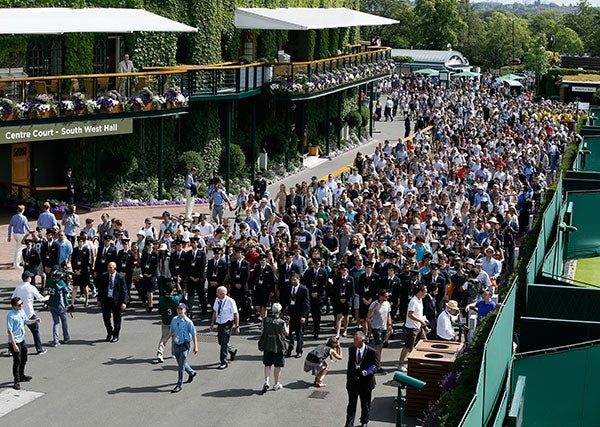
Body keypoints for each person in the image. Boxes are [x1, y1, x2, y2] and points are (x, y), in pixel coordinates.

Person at [161, 303, 198, 393]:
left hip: (185, 346)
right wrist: (165, 340)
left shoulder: (188, 322)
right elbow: (171, 331)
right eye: (178, 309)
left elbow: (194, 334)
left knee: (181, 366)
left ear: (185, 310)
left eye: (181, 309)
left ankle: (179, 385)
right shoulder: (174, 320)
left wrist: (196, 346)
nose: (180, 311)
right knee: (181, 363)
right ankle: (191, 372)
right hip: (176, 345)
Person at [7, 296, 42, 390]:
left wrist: (35, 320)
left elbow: (26, 321)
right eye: (19, 305)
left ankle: (22, 375)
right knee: (17, 361)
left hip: (21, 339)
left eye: (21, 303)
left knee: (24, 358)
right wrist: (14, 345)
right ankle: (16, 381)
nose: (21, 306)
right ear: (14, 306)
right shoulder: (11, 316)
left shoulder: (21, 312)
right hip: (15, 341)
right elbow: (9, 331)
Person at [345, 331, 378, 427]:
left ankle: (364, 421)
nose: (354, 341)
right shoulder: (351, 349)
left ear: (363, 340)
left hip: (366, 383)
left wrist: (368, 372)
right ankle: (349, 424)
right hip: (353, 382)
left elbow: (375, 366)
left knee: (365, 404)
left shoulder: (372, 352)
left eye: (356, 340)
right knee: (351, 404)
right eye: (354, 339)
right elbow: (350, 365)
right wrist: (348, 380)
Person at [12, 271, 49, 355]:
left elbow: (13, 298)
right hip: (29, 313)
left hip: (19, 313)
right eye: (30, 277)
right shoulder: (31, 287)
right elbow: (40, 298)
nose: (31, 278)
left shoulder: (18, 287)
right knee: (35, 331)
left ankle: (11, 350)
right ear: (28, 278)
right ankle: (39, 349)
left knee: (15, 332)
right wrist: (47, 297)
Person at [258, 303, 289, 393]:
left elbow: (262, 331)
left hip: (267, 344)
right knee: (278, 365)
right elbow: (286, 333)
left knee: (267, 364)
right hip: (279, 346)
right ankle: (276, 384)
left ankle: (266, 381)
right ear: (279, 311)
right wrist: (287, 324)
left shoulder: (265, 320)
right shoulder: (281, 322)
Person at [398, 284, 429, 372]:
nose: (426, 294)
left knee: (424, 343)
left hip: (419, 327)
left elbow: (419, 314)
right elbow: (410, 314)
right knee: (408, 346)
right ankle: (400, 363)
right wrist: (421, 321)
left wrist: (424, 325)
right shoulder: (413, 301)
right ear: (420, 292)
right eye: (425, 292)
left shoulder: (420, 300)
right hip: (412, 327)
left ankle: (419, 361)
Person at [209, 286, 240, 369]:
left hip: (228, 323)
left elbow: (236, 314)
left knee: (223, 342)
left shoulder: (230, 301)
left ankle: (224, 362)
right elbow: (215, 311)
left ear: (223, 293)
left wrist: (237, 326)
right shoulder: (217, 300)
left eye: (217, 292)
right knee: (220, 341)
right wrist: (212, 323)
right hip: (220, 323)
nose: (216, 294)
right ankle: (232, 350)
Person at [97, 262, 128, 343]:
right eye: (108, 267)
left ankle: (116, 335)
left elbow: (124, 291)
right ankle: (109, 332)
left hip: (116, 301)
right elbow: (101, 289)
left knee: (117, 319)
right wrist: (99, 299)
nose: (109, 269)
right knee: (106, 317)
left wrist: (124, 302)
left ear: (115, 268)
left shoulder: (120, 277)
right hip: (106, 299)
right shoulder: (104, 276)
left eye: (111, 267)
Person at [367, 288, 393, 373]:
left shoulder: (387, 304)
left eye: (387, 296)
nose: (387, 298)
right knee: (378, 347)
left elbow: (388, 314)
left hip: (384, 328)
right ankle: (378, 366)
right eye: (385, 296)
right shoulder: (374, 304)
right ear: (380, 296)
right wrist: (374, 308)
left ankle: (376, 364)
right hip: (376, 327)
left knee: (380, 348)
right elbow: (369, 316)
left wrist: (389, 324)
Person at [286, 272, 310, 358]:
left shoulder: (304, 289)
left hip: (300, 315)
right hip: (291, 315)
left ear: (298, 279)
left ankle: (299, 350)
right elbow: (287, 302)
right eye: (291, 279)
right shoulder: (289, 288)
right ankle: (289, 349)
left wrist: (304, 316)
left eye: (294, 279)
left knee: (299, 334)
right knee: (289, 334)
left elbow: (306, 304)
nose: (292, 281)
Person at [46, 266, 71, 346]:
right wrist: (67, 304)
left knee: (56, 322)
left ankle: (56, 340)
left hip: (50, 304)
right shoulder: (60, 282)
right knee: (64, 320)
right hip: (59, 304)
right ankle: (66, 337)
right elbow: (66, 293)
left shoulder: (49, 280)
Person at [157, 282, 180, 363]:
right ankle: (174, 353)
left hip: (165, 320)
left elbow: (159, 310)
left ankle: (160, 353)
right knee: (175, 337)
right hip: (174, 321)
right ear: (172, 291)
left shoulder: (161, 299)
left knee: (164, 337)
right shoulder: (175, 299)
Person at [8, 204, 31, 269]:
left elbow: (10, 226)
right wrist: (31, 231)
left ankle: (22, 261)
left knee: (21, 248)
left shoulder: (14, 217)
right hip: (21, 235)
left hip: (15, 234)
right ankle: (16, 264)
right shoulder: (23, 218)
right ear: (23, 210)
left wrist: (9, 236)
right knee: (19, 249)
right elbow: (27, 227)